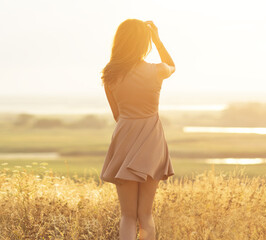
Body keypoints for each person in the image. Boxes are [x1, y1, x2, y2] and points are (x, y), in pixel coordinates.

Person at [99, 19, 176, 240]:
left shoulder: (110, 73)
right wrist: (158, 40)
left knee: (128, 216)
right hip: (152, 141)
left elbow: (117, 115)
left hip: (124, 138)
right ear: (144, 42)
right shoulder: (157, 70)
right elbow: (172, 65)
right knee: (146, 216)